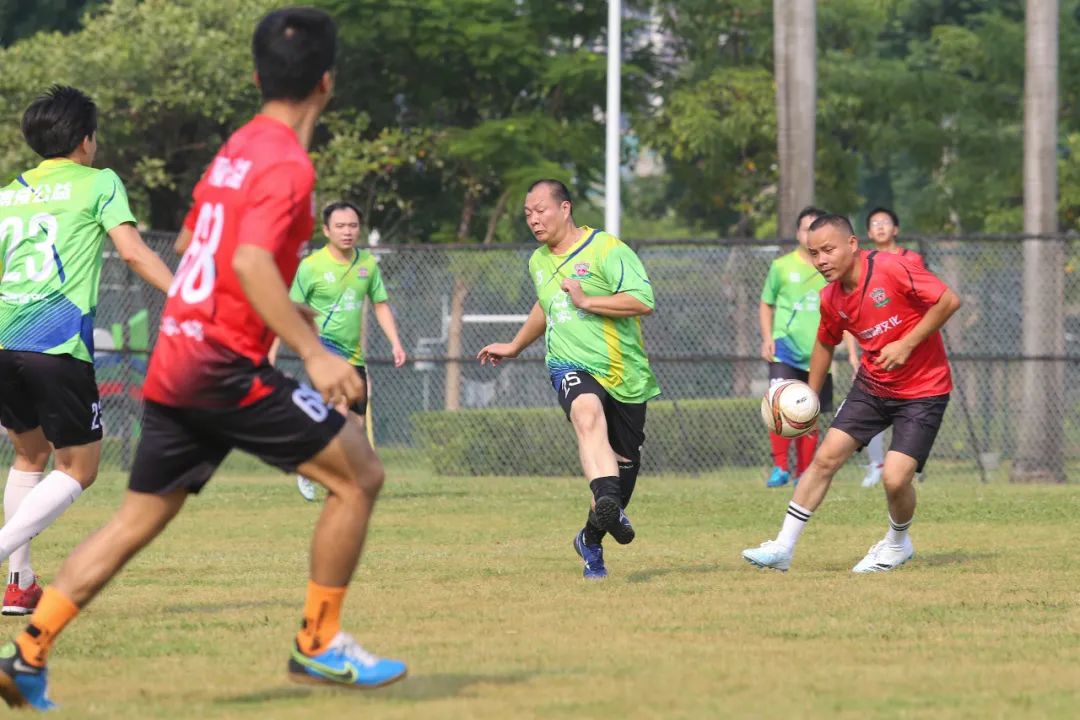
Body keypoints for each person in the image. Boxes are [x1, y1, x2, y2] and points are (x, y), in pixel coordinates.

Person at [0, 9, 406, 711]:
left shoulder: (239, 147)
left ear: (256, 77)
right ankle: (318, 643)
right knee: (359, 474)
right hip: (219, 366)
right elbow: (246, 258)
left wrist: (279, 307)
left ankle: (29, 653)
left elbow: (195, 240)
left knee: (135, 520)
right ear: (328, 83)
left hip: (177, 357)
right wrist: (312, 351)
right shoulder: (285, 161)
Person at [0, 85, 173, 618]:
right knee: (79, 468)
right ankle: (5, 553)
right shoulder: (99, 182)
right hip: (55, 342)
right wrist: (190, 297)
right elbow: (133, 253)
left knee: (29, 455)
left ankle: (18, 584)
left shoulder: (8, 193)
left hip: (4, 339)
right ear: (85, 140)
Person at [742, 214, 960, 574]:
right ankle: (783, 546)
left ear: (853, 244)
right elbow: (824, 344)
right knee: (826, 458)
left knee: (894, 477)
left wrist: (906, 344)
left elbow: (948, 300)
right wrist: (808, 400)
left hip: (924, 389)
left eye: (828, 249)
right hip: (873, 387)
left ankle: (897, 543)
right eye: (814, 253)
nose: (821, 260)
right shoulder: (830, 298)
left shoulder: (891, 267)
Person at [477, 179, 659, 580]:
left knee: (625, 463)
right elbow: (547, 306)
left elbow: (642, 301)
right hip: (569, 364)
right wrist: (515, 344)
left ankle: (591, 537)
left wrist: (587, 301)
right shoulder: (537, 260)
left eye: (540, 210)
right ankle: (608, 500)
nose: (533, 219)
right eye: (527, 213)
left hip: (624, 371)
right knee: (586, 413)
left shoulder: (609, 249)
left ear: (565, 208)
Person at [277, 201, 406, 502]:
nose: (347, 232)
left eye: (352, 226)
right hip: (324, 351)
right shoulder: (311, 267)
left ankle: (309, 466)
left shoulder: (368, 264)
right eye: (340, 226)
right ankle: (341, 482)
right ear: (326, 231)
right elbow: (291, 307)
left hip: (353, 355)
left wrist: (395, 342)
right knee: (337, 414)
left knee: (355, 426)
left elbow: (380, 304)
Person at [759, 206, 854, 488]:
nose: (808, 233)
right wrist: (767, 337)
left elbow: (844, 311)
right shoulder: (781, 266)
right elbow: (766, 302)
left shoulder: (831, 268)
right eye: (804, 228)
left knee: (808, 410)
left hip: (817, 352)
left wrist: (851, 350)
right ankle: (780, 468)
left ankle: (803, 471)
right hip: (784, 349)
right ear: (799, 233)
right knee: (778, 406)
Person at [859, 206, 926, 487]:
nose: (881, 227)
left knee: (910, 410)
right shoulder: (863, 263)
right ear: (868, 233)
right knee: (871, 409)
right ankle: (877, 464)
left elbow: (924, 298)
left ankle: (908, 465)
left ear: (895, 229)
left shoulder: (912, 259)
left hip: (910, 350)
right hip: (877, 349)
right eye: (875, 223)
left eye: (885, 222)